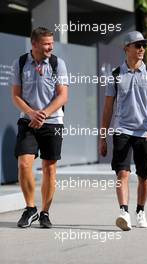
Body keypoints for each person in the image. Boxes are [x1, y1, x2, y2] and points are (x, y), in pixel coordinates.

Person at [100, 31, 147, 231]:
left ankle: (140, 211)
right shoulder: (116, 75)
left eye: (143, 46)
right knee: (122, 172)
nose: (141, 49)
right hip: (121, 129)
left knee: (144, 176)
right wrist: (103, 137)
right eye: (137, 45)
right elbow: (108, 108)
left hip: (144, 131)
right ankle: (124, 212)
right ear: (126, 48)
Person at [11, 27, 68, 228]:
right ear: (34, 44)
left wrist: (43, 113)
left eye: (51, 43)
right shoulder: (19, 63)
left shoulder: (57, 64)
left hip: (53, 121)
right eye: (46, 43)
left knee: (49, 168)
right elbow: (16, 95)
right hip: (28, 121)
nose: (50, 47)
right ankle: (30, 208)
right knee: (24, 163)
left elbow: (62, 95)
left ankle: (45, 212)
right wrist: (31, 113)